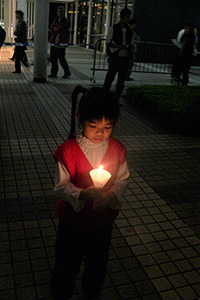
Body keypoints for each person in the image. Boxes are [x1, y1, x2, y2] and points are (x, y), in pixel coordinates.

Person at [51, 86, 130, 300]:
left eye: (108, 126)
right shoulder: (68, 151)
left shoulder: (117, 149)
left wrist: (113, 194)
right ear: (80, 118)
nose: (100, 133)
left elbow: (122, 178)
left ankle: (91, 293)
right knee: (67, 264)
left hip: (102, 222)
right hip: (72, 223)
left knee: (97, 263)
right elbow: (60, 185)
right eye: (93, 125)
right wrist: (82, 194)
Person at [102, 7, 132, 100]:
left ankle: (116, 98)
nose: (128, 19)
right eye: (127, 17)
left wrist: (129, 46)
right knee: (110, 78)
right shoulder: (114, 28)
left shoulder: (129, 30)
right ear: (122, 17)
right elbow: (108, 42)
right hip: (115, 57)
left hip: (125, 57)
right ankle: (103, 97)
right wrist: (119, 46)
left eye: (129, 17)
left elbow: (130, 42)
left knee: (121, 81)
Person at [48, 6, 71, 78]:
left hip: (61, 42)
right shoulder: (56, 20)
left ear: (64, 12)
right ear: (57, 12)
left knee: (61, 58)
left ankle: (67, 72)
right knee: (53, 58)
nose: (60, 13)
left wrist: (55, 29)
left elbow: (60, 29)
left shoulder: (65, 21)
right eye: (59, 11)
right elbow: (51, 28)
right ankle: (54, 73)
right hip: (54, 42)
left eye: (62, 12)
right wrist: (55, 29)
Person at [172, 21, 195, 86]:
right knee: (181, 69)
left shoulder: (191, 36)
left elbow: (188, 45)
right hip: (182, 55)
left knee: (185, 70)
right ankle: (179, 79)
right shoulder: (185, 34)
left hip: (186, 55)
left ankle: (184, 82)